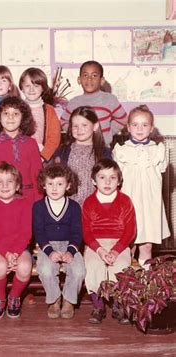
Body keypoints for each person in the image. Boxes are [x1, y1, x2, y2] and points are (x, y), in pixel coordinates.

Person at [113, 105, 170, 268]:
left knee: (146, 246)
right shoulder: (121, 150)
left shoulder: (158, 150)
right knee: (128, 246)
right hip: (130, 205)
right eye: (135, 125)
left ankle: (145, 285)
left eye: (145, 125)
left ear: (151, 128)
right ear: (128, 127)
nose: (140, 129)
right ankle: (125, 286)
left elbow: (161, 170)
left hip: (150, 206)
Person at [83, 159, 136, 325]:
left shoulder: (125, 201)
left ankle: (118, 305)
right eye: (102, 177)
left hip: (118, 244)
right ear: (93, 180)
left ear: (119, 181)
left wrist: (116, 250)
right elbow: (86, 231)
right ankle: (98, 305)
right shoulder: (89, 202)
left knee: (120, 267)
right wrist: (99, 250)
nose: (107, 182)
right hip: (95, 244)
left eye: (112, 178)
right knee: (93, 266)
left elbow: (130, 230)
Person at [33, 164, 85, 319]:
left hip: (70, 245)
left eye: (59, 184)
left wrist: (71, 251)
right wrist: (49, 251)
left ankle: (69, 300)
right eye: (50, 184)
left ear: (68, 186)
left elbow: (77, 232)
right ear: (44, 185)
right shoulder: (39, 206)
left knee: (78, 270)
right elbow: (39, 232)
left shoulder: (74, 207)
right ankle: (54, 299)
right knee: (46, 270)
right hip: (47, 245)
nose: (54, 188)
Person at [0, 162, 33, 319]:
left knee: (24, 267)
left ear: (17, 185)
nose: (5, 186)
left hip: (21, 248)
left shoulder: (25, 204)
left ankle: (14, 296)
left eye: (10, 181)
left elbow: (26, 233)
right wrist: (6, 253)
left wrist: (16, 252)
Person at [0, 96, 42, 202]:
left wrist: (39, 204)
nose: (10, 117)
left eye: (16, 114)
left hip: (28, 198)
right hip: (2, 198)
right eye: (6, 113)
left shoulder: (31, 143)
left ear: (23, 118)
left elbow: (37, 176)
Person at [52, 106, 111, 206]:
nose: (79, 130)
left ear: (95, 126)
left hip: (95, 206)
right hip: (68, 206)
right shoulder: (62, 152)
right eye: (75, 126)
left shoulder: (104, 153)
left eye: (84, 125)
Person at [60, 60, 127, 146]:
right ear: (79, 80)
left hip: (103, 148)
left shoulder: (110, 99)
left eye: (94, 75)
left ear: (102, 80)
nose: (89, 78)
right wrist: (76, 133)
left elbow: (122, 119)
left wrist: (108, 133)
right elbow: (64, 121)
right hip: (79, 147)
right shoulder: (74, 102)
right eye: (85, 75)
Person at [19, 67, 61, 162]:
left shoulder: (49, 110)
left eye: (36, 86)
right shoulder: (18, 109)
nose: (31, 89)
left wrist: (44, 155)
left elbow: (55, 136)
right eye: (27, 85)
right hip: (22, 156)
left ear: (43, 88)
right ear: (21, 87)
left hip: (44, 157)